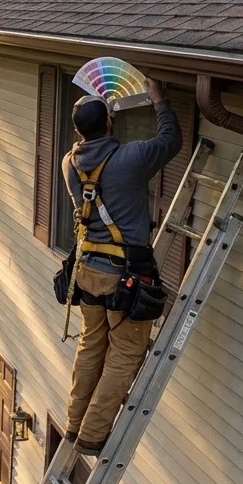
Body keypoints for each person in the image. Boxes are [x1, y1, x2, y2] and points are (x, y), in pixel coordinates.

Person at [62, 78, 181, 455]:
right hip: (124, 274)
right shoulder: (129, 159)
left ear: (78, 129)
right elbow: (170, 140)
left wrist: (98, 117)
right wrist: (159, 100)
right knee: (125, 353)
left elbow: (89, 139)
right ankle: (93, 435)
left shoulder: (70, 163)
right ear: (110, 123)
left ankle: (74, 424)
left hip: (88, 270)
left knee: (92, 346)